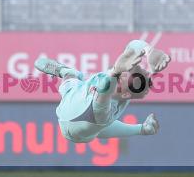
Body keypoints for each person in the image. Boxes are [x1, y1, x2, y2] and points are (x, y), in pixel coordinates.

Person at [34, 39, 171, 143]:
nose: (124, 73)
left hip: (78, 124)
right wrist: (149, 50)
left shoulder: (105, 109)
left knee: (100, 125)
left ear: (126, 94)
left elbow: (104, 91)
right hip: (75, 97)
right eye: (127, 71)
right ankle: (64, 71)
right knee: (73, 77)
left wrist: (116, 71)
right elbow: (133, 45)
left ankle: (68, 73)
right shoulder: (120, 83)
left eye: (127, 76)